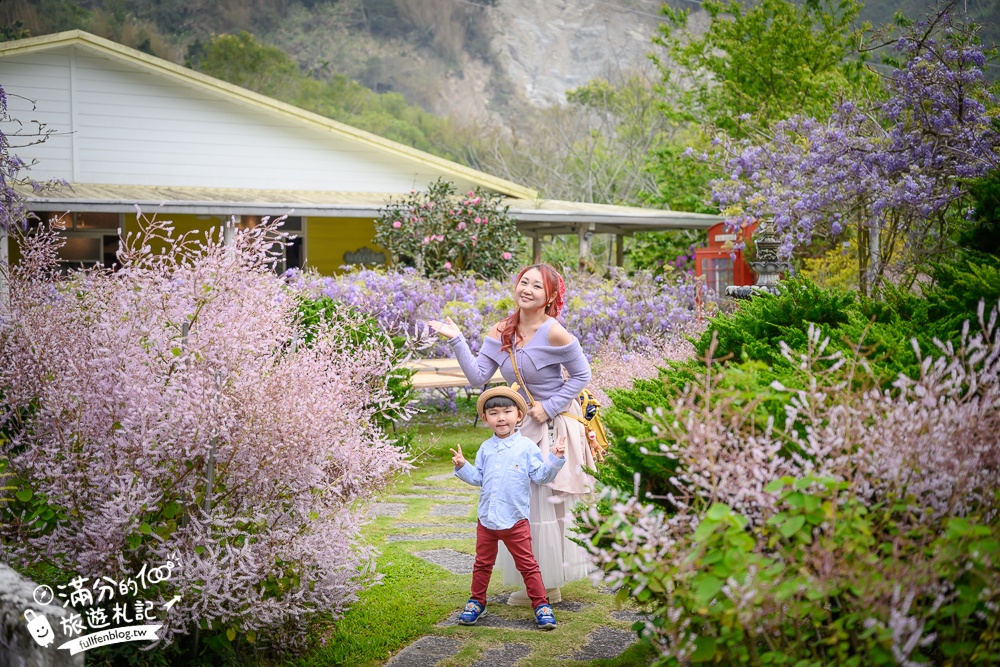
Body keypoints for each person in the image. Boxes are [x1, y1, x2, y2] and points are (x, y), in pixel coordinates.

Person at [429, 263, 595, 606]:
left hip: (555, 422)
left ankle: (548, 584)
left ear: (550, 297)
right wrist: (458, 339)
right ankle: (544, 583)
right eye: (524, 282)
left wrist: (548, 406)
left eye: (537, 286)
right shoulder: (501, 329)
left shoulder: (555, 332)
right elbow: (478, 376)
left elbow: (581, 376)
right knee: (524, 501)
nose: (527, 289)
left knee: (547, 503)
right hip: (527, 424)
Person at [451, 385, 566, 630]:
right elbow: (478, 478)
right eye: (493, 413)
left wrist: (555, 458)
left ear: (518, 416)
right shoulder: (485, 448)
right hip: (487, 520)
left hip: (515, 520)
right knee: (482, 563)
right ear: (485, 418)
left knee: (527, 564)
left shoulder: (526, 447)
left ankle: (541, 605)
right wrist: (463, 466)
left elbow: (541, 476)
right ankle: (476, 601)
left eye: (506, 411)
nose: (500, 417)